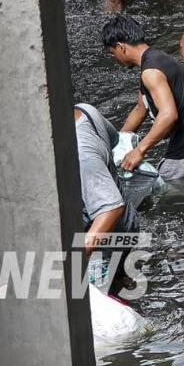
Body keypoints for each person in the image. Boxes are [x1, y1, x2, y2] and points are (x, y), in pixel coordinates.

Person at [102, 14, 184, 181]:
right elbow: (140, 108)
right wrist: (115, 143)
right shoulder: (157, 59)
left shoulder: (150, 72)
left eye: (113, 53)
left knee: (153, 198)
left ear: (120, 47)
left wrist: (139, 151)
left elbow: (168, 115)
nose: (115, 59)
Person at [73, 104, 140, 296]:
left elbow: (110, 209)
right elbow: (114, 138)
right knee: (117, 281)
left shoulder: (80, 154)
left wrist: (77, 258)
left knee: (94, 301)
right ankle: (122, 283)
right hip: (128, 224)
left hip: (107, 237)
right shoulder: (85, 110)